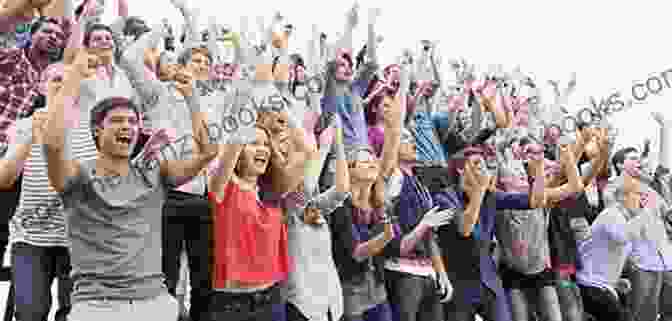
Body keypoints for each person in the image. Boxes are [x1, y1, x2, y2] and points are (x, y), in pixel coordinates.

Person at [43, 48, 217, 320]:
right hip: (98, 306)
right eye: (117, 121)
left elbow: (208, 152)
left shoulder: (155, 174)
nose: (128, 126)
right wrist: (74, 78)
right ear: (97, 130)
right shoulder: (77, 177)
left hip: (154, 301)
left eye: (133, 121)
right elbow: (52, 143)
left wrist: (192, 100)